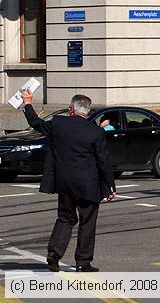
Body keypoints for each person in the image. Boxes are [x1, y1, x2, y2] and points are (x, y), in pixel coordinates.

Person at [20, 89, 115, 272]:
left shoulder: (58, 123)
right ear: (87, 111)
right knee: (87, 222)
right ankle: (83, 262)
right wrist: (110, 186)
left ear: (71, 109)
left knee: (65, 218)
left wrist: (28, 102)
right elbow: (104, 161)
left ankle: (53, 254)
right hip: (88, 184)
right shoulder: (96, 132)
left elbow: (35, 123)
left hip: (64, 182)